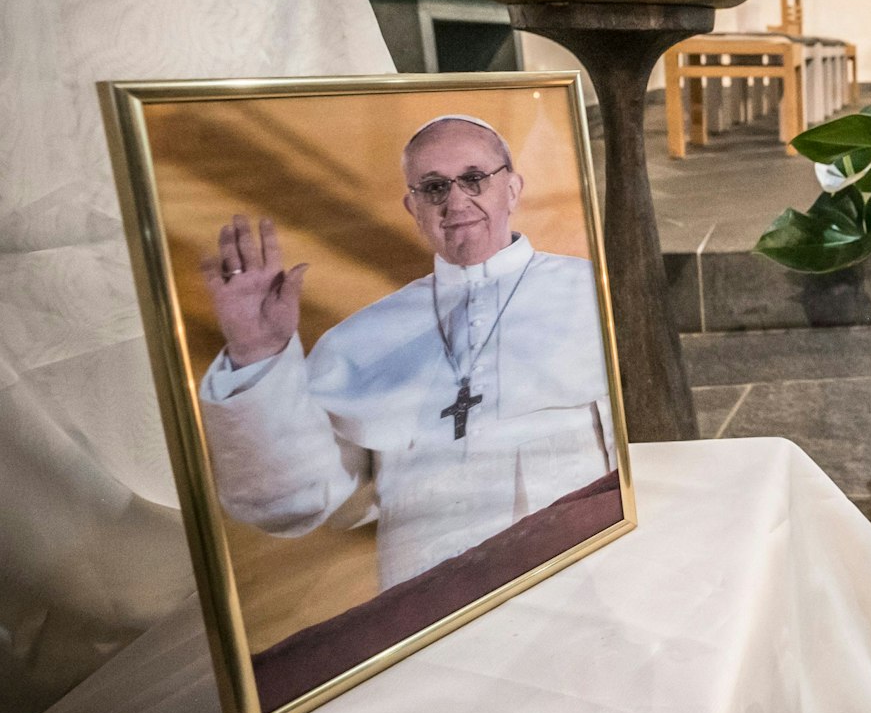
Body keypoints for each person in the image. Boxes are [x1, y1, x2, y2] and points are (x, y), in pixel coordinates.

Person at [198, 116, 614, 591]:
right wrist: (258, 355)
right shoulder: (359, 340)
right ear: (412, 206)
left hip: (586, 571)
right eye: (434, 187)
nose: (456, 201)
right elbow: (290, 500)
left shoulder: (594, 291)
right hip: (426, 602)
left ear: (513, 190)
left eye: (475, 178)